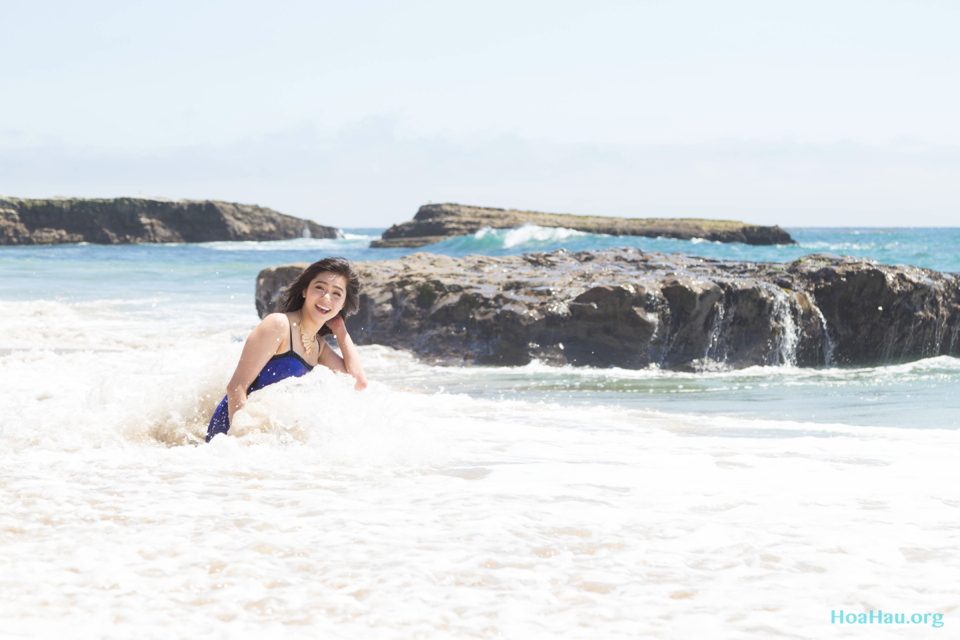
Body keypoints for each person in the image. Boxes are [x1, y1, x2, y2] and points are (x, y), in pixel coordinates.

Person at [206, 257, 367, 442]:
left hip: (267, 438)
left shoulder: (319, 346)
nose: (326, 297)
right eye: (319, 288)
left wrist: (340, 328)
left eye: (337, 294)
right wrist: (242, 442)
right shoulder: (279, 325)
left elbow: (357, 383)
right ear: (305, 291)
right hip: (232, 434)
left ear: (343, 304)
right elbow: (236, 387)